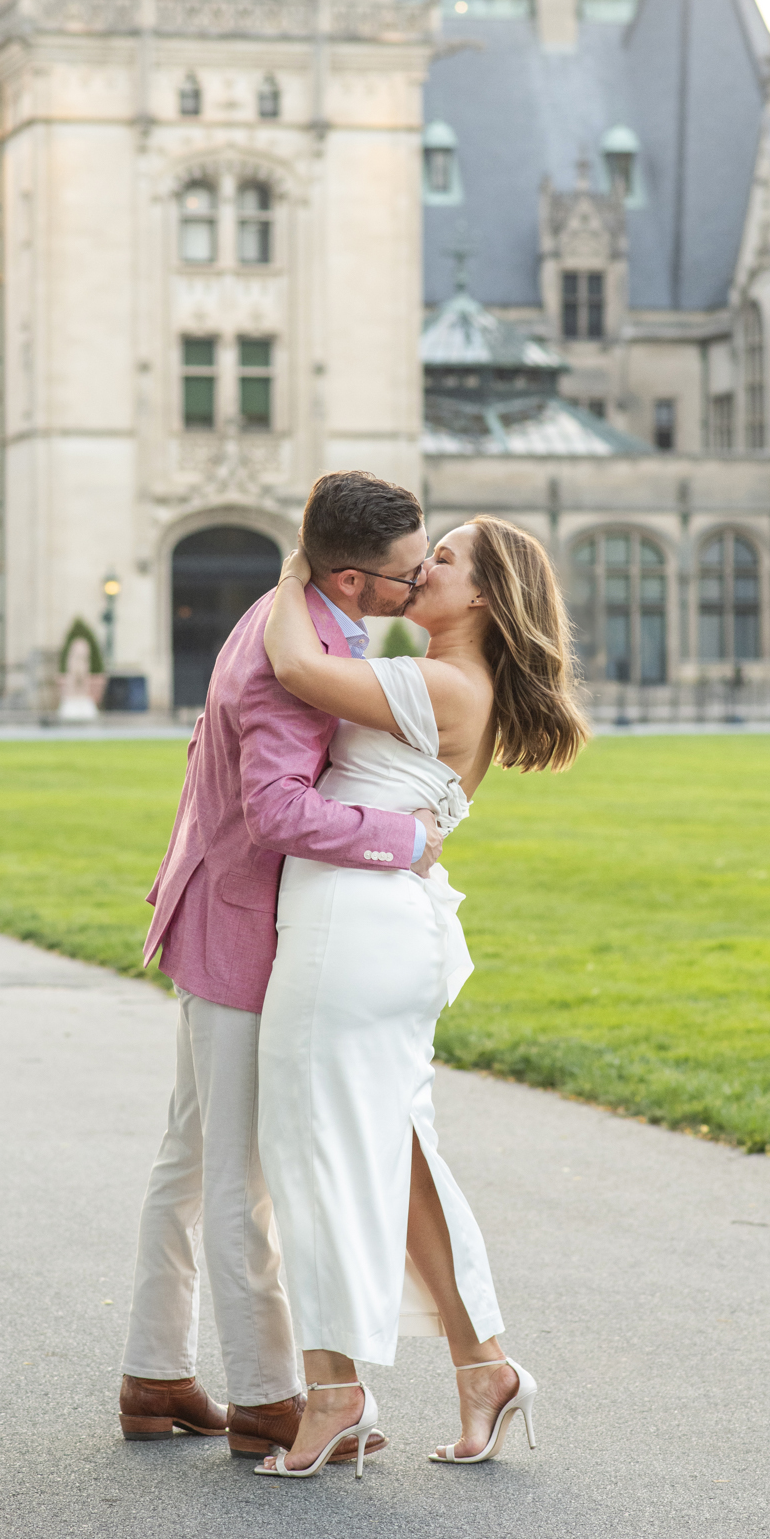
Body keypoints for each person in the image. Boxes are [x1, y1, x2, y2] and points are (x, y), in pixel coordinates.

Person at [119, 472, 446, 1463]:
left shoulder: (290, 613)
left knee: (189, 1157)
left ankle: (155, 1372)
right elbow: (278, 812)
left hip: (210, 912)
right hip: (239, 931)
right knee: (238, 1175)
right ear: (352, 578)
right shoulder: (287, 657)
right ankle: (265, 1395)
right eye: (405, 573)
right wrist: (407, 837)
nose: (419, 583)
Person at [255, 515, 590, 1478]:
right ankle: (481, 1365)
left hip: (348, 933)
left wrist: (300, 568)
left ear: (480, 596)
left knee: (308, 1150)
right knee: (395, 1157)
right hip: (378, 925)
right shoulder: (449, 678)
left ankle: (332, 1394)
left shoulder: (443, 680)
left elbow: (295, 664)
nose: (420, 569)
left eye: (441, 559)